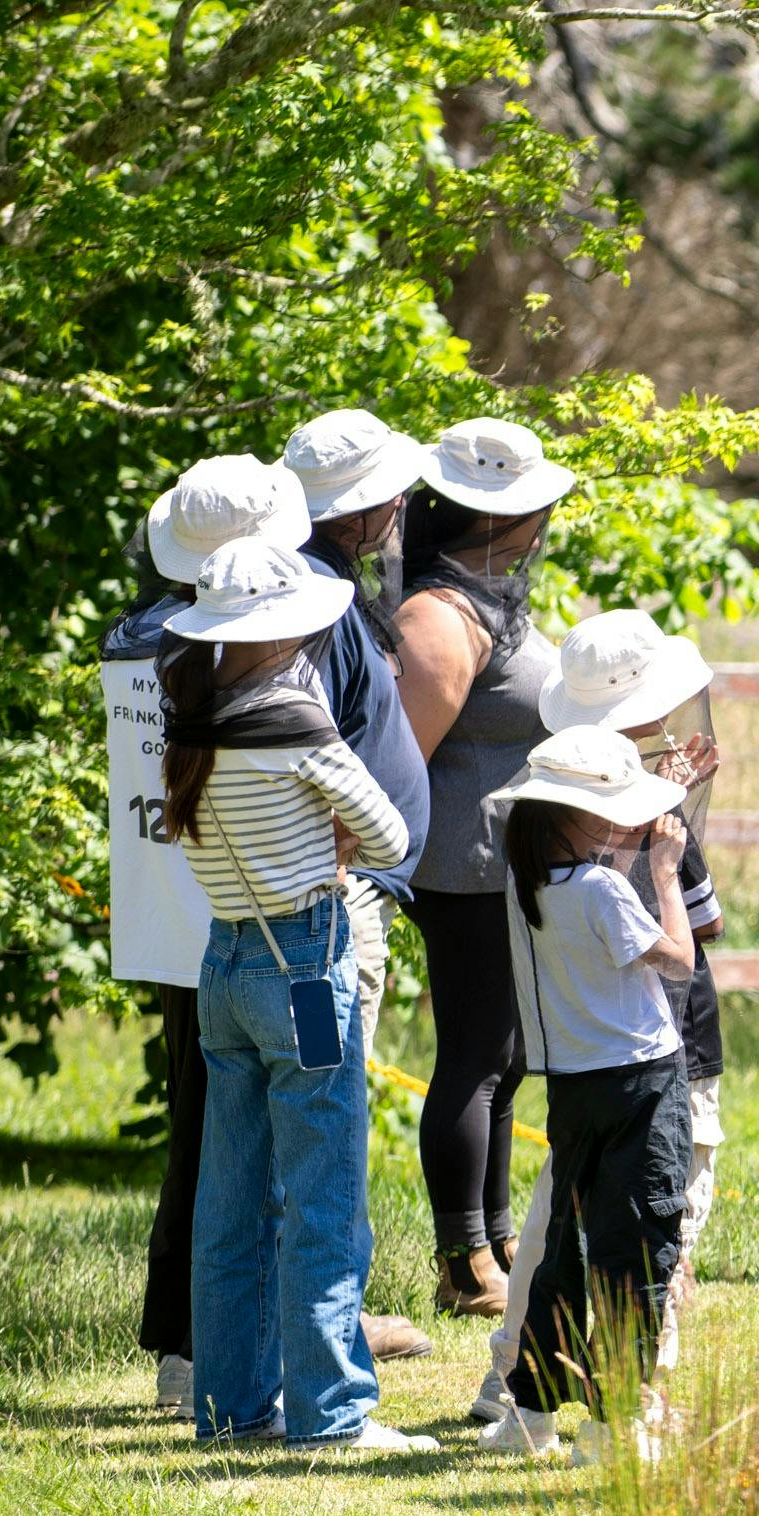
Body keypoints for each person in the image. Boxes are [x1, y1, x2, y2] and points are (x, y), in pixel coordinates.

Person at [110, 455, 427, 1418]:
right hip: (308, 968)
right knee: (323, 1184)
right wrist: (335, 834)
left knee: (229, 1195)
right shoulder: (296, 722)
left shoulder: (189, 716)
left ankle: (228, 1402)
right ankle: (331, 1408)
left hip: (226, 964)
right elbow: (390, 836)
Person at [471, 609, 727, 1433]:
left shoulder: (530, 873)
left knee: (562, 1234)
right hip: (649, 1069)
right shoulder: (614, 867)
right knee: (645, 1237)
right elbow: (690, 944)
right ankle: (629, 1406)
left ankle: (522, 1391)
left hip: (575, 1075)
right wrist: (662, 850)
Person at [393, 418, 574, 1320]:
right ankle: (463, 1261)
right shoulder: (440, 615)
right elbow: (402, 756)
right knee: (473, 1056)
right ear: (504, 517)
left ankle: (496, 1241)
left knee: (503, 1058)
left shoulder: (480, 597)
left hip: (497, 866)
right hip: (463, 869)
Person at [280, 409, 436, 1076]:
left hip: (337, 898)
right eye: (387, 495)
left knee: (313, 1086)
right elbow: (301, 731)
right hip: (334, 909)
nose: (401, 504)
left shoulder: (316, 583)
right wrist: (337, 853)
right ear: (353, 514)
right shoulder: (318, 599)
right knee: (326, 1088)